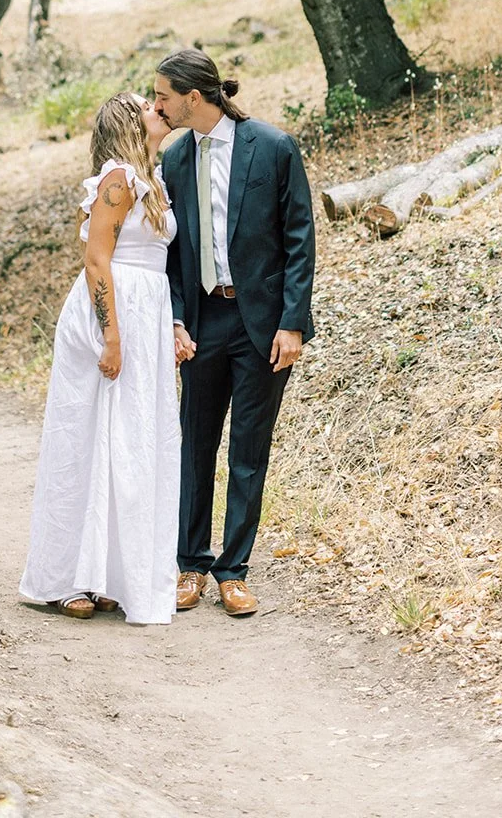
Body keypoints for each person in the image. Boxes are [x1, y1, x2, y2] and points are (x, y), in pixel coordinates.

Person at [155, 49, 315, 618]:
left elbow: (300, 238)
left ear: (193, 97)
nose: (158, 106)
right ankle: (190, 564)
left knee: (249, 447)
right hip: (200, 322)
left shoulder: (271, 147)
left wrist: (293, 322)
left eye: (163, 97)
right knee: (195, 444)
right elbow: (167, 255)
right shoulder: (172, 161)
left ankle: (234, 570)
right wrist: (174, 318)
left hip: (263, 325)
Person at [19, 93, 180, 624]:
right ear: (129, 124)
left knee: (132, 441)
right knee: (85, 439)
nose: (159, 107)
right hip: (108, 315)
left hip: (146, 310)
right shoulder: (117, 179)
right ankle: (65, 578)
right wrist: (111, 335)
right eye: (147, 105)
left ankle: (111, 573)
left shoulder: (151, 181)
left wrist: (170, 325)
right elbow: (95, 260)